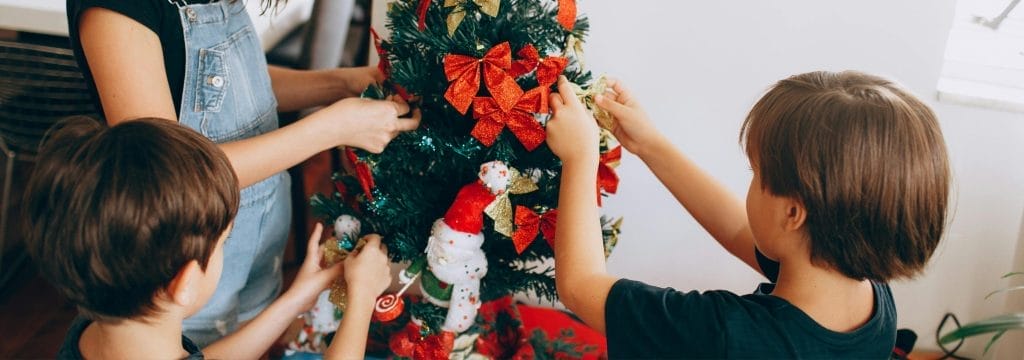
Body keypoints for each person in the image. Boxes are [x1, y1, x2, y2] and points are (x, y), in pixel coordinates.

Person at [65, 0, 420, 344]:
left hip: (255, 247)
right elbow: (169, 176)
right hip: (187, 269)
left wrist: (341, 83)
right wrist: (331, 129)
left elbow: (230, 84)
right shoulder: (115, 10)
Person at [545, 71, 950, 357]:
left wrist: (581, 159)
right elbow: (741, 227)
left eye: (756, 175)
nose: (750, 185)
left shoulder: (724, 336)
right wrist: (650, 145)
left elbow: (581, 287)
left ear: (793, 213)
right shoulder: (867, 291)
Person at [25, 117, 392, 359]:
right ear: (184, 281)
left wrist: (298, 297)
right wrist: (361, 298)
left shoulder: (95, 331)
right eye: (224, 243)